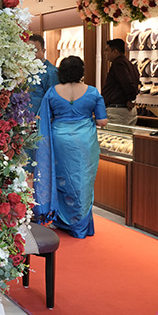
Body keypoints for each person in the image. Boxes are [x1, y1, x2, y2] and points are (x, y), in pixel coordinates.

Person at [35, 56, 107, 239]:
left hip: (59, 138)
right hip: (84, 140)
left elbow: (43, 118)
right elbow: (102, 121)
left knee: (61, 177)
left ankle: (61, 218)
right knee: (83, 179)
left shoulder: (53, 92)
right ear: (81, 71)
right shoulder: (93, 92)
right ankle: (79, 223)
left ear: (61, 72)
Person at [101, 38, 139, 125]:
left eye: (107, 50)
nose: (105, 53)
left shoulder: (118, 64)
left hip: (118, 111)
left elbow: (127, 82)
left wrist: (130, 98)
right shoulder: (130, 65)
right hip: (127, 110)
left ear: (115, 51)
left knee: (113, 134)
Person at [28, 35, 59, 116]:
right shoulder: (26, 68)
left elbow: (54, 99)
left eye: (35, 51)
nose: (31, 54)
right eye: (28, 51)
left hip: (42, 117)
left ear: (43, 51)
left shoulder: (51, 71)